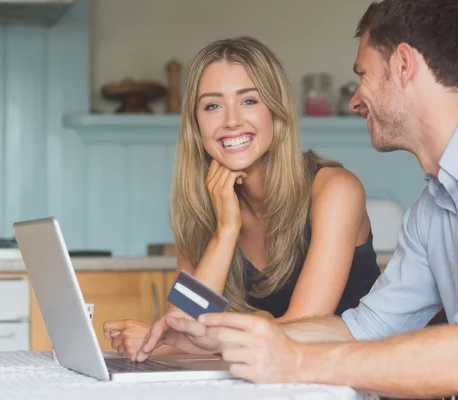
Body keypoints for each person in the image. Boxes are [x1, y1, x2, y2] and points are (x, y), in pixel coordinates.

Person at [133, 1, 458, 398]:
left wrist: (295, 361)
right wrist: (212, 339)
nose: (353, 100)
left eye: (362, 74)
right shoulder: (430, 211)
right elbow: (363, 326)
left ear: (403, 65)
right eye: (211, 106)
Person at [103, 36, 382, 357]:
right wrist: (225, 230)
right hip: (278, 381)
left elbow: (306, 327)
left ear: (275, 111)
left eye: (249, 101)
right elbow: (183, 320)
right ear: (197, 125)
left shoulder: (335, 190)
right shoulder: (206, 206)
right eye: (212, 106)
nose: (231, 120)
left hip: (355, 380)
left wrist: (168, 343)